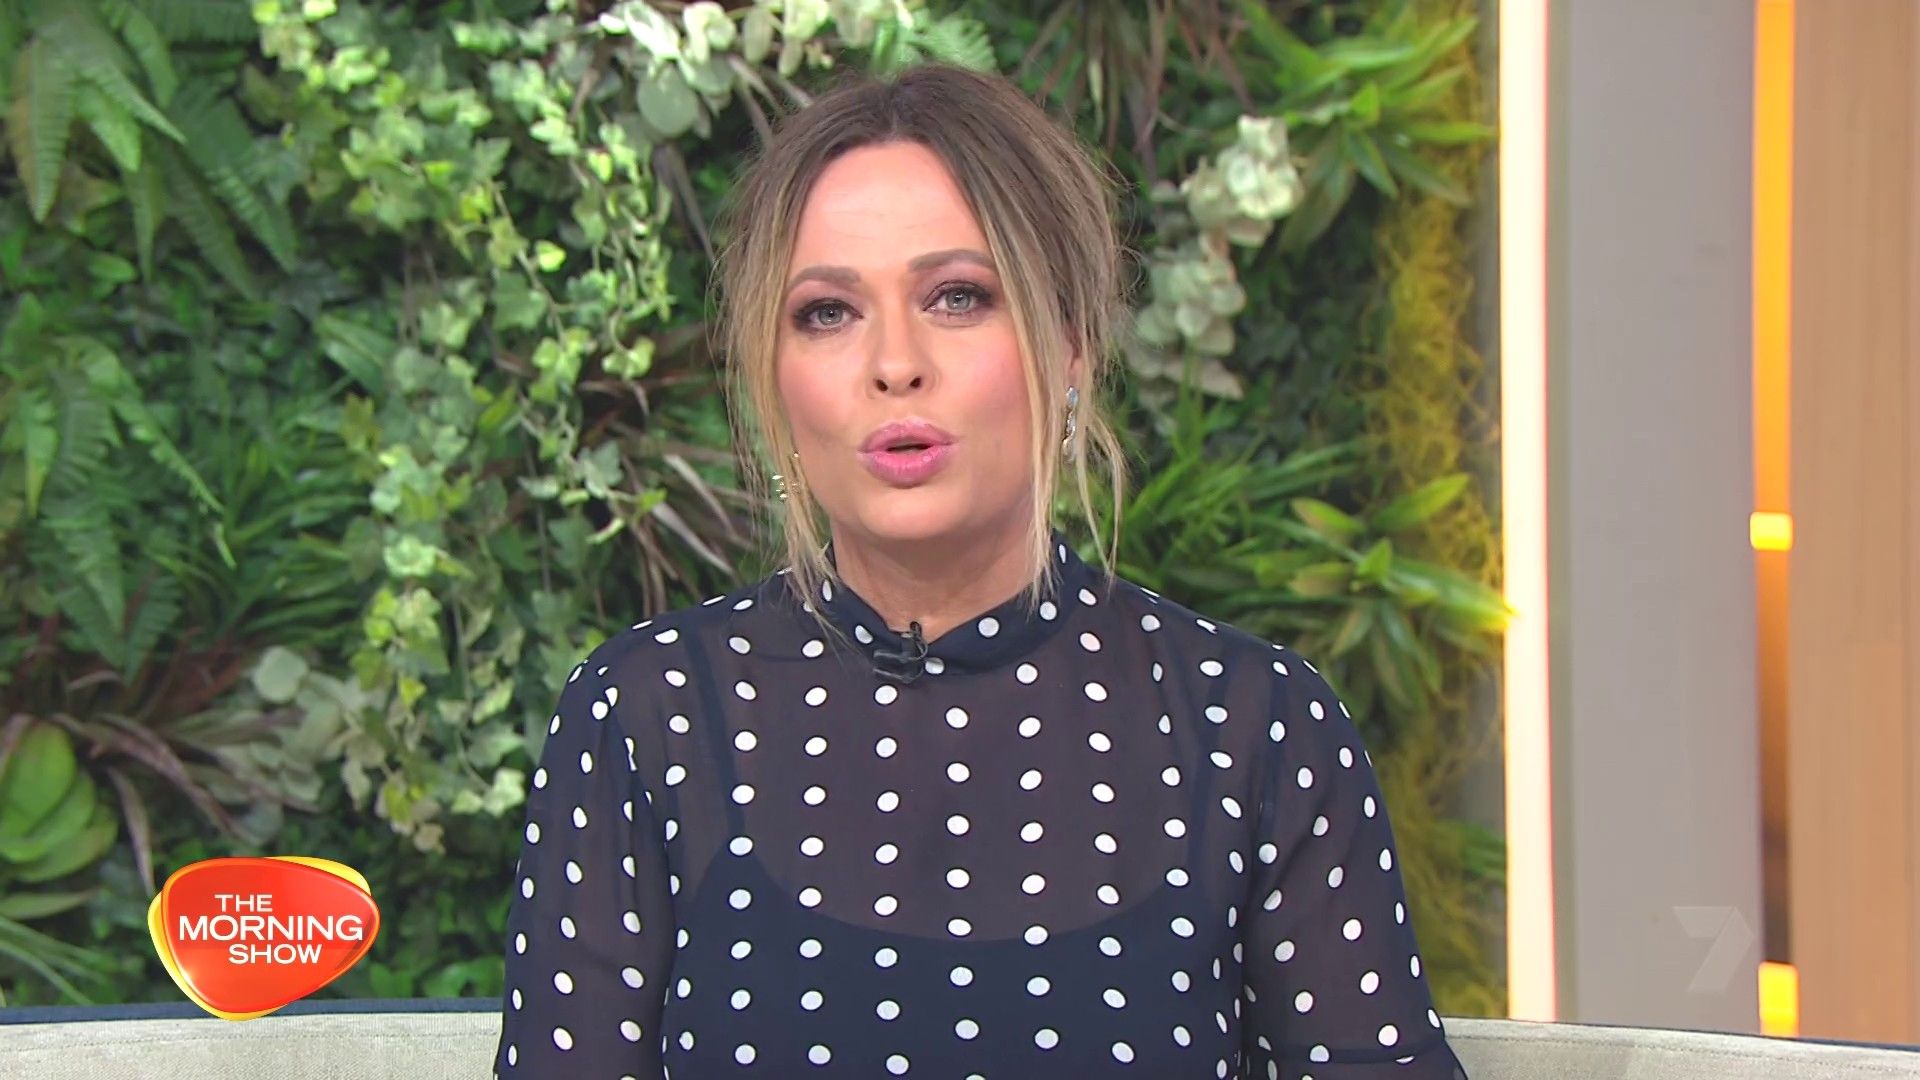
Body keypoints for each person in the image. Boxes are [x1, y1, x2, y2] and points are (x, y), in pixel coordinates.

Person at [492, 61, 1470, 1079]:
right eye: (827, 312)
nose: (895, 363)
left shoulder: (1250, 723)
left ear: (1071, 341)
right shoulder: (647, 715)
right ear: (771, 378)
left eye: (958, 297)